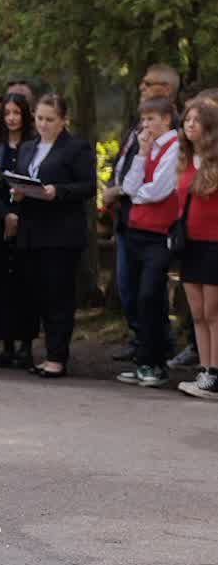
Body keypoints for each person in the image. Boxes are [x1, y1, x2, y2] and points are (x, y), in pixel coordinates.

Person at [10, 93, 97, 380]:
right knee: (37, 295)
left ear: (63, 121)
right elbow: (22, 176)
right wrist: (19, 191)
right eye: (40, 119)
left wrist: (57, 191)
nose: (44, 125)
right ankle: (40, 350)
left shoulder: (76, 148)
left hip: (61, 234)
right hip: (32, 231)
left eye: (50, 120)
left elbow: (87, 186)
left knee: (59, 296)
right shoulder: (28, 148)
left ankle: (57, 356)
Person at [104, 64, 181, 361]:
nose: (142, 87)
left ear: (167, 90)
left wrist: (125, 191)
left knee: (150, 291)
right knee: (128, 286)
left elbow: (156, 188)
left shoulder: (173, 140)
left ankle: (157, 347)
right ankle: (142, 341)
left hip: (156, 226)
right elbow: (132, 168)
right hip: (129, 219)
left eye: (149, 84)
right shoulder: (141, 129)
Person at [0, 92, 37, 368]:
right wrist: (5, 214)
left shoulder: (34, 145)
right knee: (1, 281)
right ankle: (6, 344)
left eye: (17, 113)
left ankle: (27, 344)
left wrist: (19, 213)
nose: (13, 119)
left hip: (28, 222)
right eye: (8, 114)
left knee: (27, 282)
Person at [175, 99, 218, 400]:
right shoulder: (186, 161)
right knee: (198, 313)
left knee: (214, 312)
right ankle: (205, 371)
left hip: (214, 244)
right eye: (186, 119)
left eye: (196, 120)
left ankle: (216, 374)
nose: (189, 124)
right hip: (190, 244)